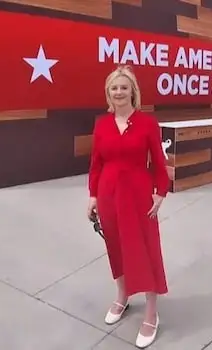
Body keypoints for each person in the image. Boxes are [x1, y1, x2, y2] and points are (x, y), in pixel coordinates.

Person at [87, 65, 170, 348]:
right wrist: (93, 196)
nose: (119, 92)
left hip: (139, 194)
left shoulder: (148, 123)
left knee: (146, 249)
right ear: (108, 93)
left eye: (124, 87)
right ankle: (122, 296)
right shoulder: (101, 124)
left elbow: (159, 163)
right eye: (114, 88)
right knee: (117, 247)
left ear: (132, 91)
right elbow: (96, 163)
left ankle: (151, 312)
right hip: (108, 192)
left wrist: (160, 193)